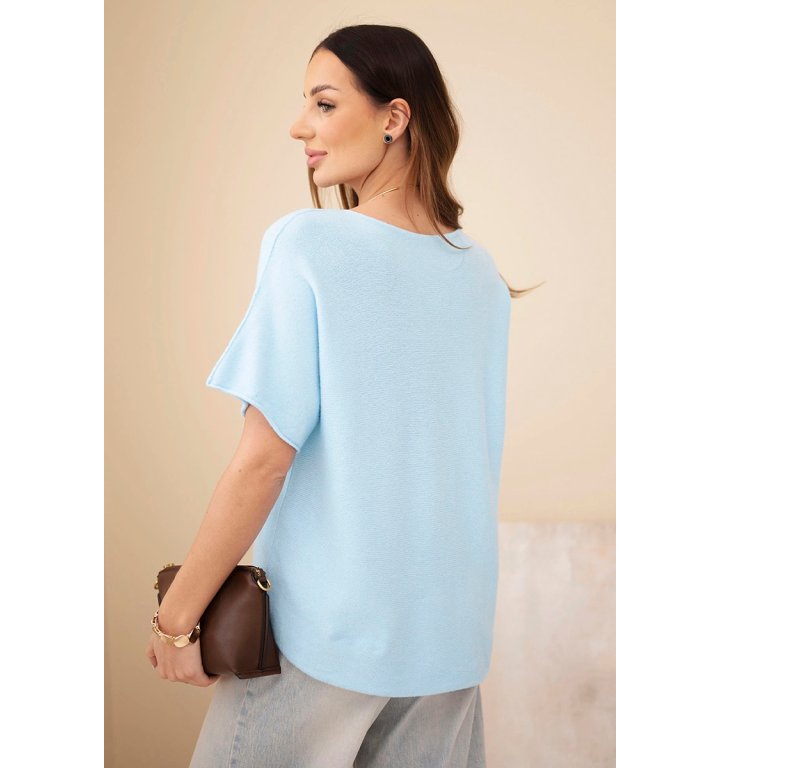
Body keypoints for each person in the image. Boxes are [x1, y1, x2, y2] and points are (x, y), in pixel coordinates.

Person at [146, 23, 536, 768]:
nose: (300, 127)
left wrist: (177, 618)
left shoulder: (310, 244)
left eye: (323, 104)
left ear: (394, 117)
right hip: (449, 641)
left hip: (328, 635)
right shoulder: (480, 274)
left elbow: (263, 461)